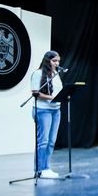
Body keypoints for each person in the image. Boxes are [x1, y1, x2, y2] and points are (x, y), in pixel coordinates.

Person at [30, 51, 63, 179]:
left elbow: (58, 91)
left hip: (56, 110)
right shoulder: (37, 74)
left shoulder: (56, 74)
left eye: (58, 61)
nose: (57, 63)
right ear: (47, 61)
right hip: (43, 110)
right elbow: (35, 93)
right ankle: (39, 170)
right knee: (43, 142)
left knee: (51, 141)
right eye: (54, 61)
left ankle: (46, 168)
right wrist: (51, 97)